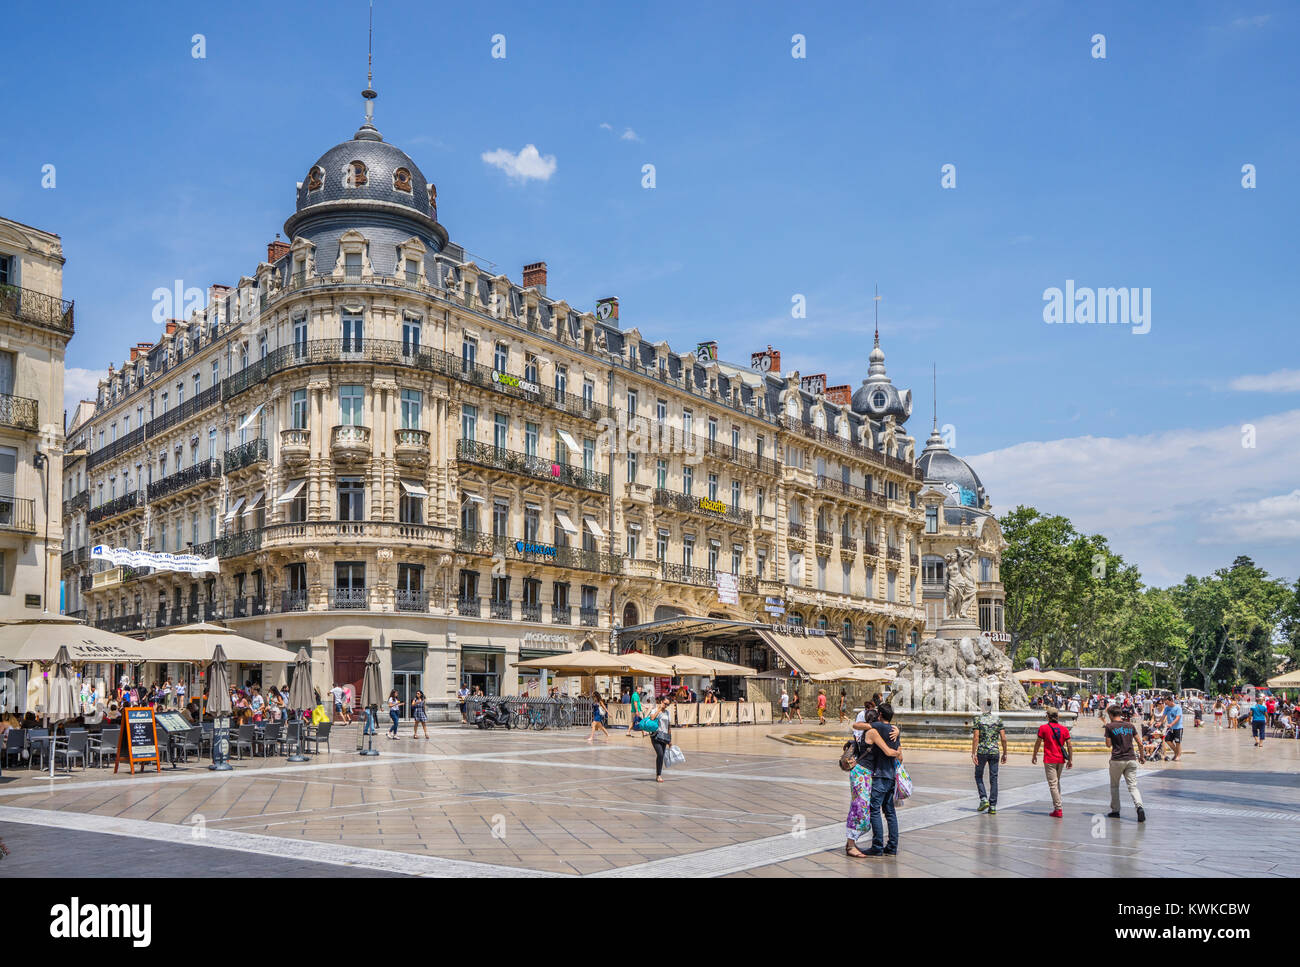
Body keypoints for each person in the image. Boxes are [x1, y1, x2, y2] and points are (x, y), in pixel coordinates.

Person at [1103, 706, 1146, 822]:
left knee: (1114, 786)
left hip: (1117, 759)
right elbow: (1140, 743)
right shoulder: (1130, 725)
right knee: (1133, 786)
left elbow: (1108, 745)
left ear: (1111, 715)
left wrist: (1111, 736)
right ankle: (1139, 807)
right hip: (1131, 759)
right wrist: (1141, 756)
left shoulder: (1109, 726)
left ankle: (1116, 811)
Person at [1031, 707, 1073, 818]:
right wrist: (1070, 759)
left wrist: (1034, 755)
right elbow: (1069, 745)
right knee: (1056, 782)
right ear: (1058, 716)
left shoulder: (1043, 728)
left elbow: (1038, 743)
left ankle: (1058, 809)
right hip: (1061, 760)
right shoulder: (1064, 729)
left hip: (1050, 759)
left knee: (1053, 784)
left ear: (1047, 716)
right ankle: (1057, 807)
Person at [971, 700, 1007, 815]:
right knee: (994, 778)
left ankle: (983, 799)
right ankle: (992, 806)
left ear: (982, 706)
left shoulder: (978, 719)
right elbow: (1003, 738)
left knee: (978, 775)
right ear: (991, 707)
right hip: (994, 751)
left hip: (982, 751)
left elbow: (976, 737)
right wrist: (1005, 752)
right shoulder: (998, 720)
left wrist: (973, 753)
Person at [641, 697, 673, 782]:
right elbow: (652, 718)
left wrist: (670, 740)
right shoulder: (654, 710)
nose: (666, 706)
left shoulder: (667, 713)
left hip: (664, 736)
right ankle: (658, 775)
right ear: (661, 702)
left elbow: (669, 726)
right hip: (655, 735)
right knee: (660, 754)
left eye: (668, 704)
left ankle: (659, 774)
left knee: (661, 756)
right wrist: (659, 709)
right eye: (665, 703)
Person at [1162, 696, 1183, 761]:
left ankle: (1178, 755)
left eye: (1167, 703)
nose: (1166, 704)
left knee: (1177, 742)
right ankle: (1176, 752)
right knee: (1167, 740)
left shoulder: (1178, 708)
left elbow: (1178, 718)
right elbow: (1163, 716)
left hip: (1178, 728)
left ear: (1171, 701)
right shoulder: (1167, 708)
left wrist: (1171, 724)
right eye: (1165, 703)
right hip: (1170, 728)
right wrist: (1159, 723)